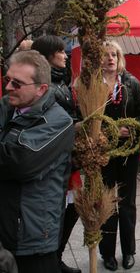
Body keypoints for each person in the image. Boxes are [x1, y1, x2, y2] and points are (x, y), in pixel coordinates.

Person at [0, 50, 75, 273]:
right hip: (6, 229)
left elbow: (18, 162)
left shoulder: (58, 121)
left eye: (17, 83)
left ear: (41, 89)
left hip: (32, 239)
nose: (8, 87)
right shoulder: (6, 106)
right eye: (7, 80)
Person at [98, 41, 140, 271]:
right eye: (106, 55)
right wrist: (108, 131)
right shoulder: (91, 84)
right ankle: (107, 253)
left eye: (114, 55)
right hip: (102, 152)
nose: (110, 58)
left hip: (129, 151)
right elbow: (84, 116)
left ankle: (128, 251)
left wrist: (133, 126)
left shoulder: (131, 82)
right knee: (107, 201)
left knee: (127, 203)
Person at [32, 35, 81, 273]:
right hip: (55, 160)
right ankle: (51, 260)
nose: (65, 55)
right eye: (61, 51)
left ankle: (56, 258)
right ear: (48, 55)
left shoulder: (62, 82)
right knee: (56, 213)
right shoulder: (44, 87)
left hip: (69, 159)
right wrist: (76, 124)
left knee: (71, 209)